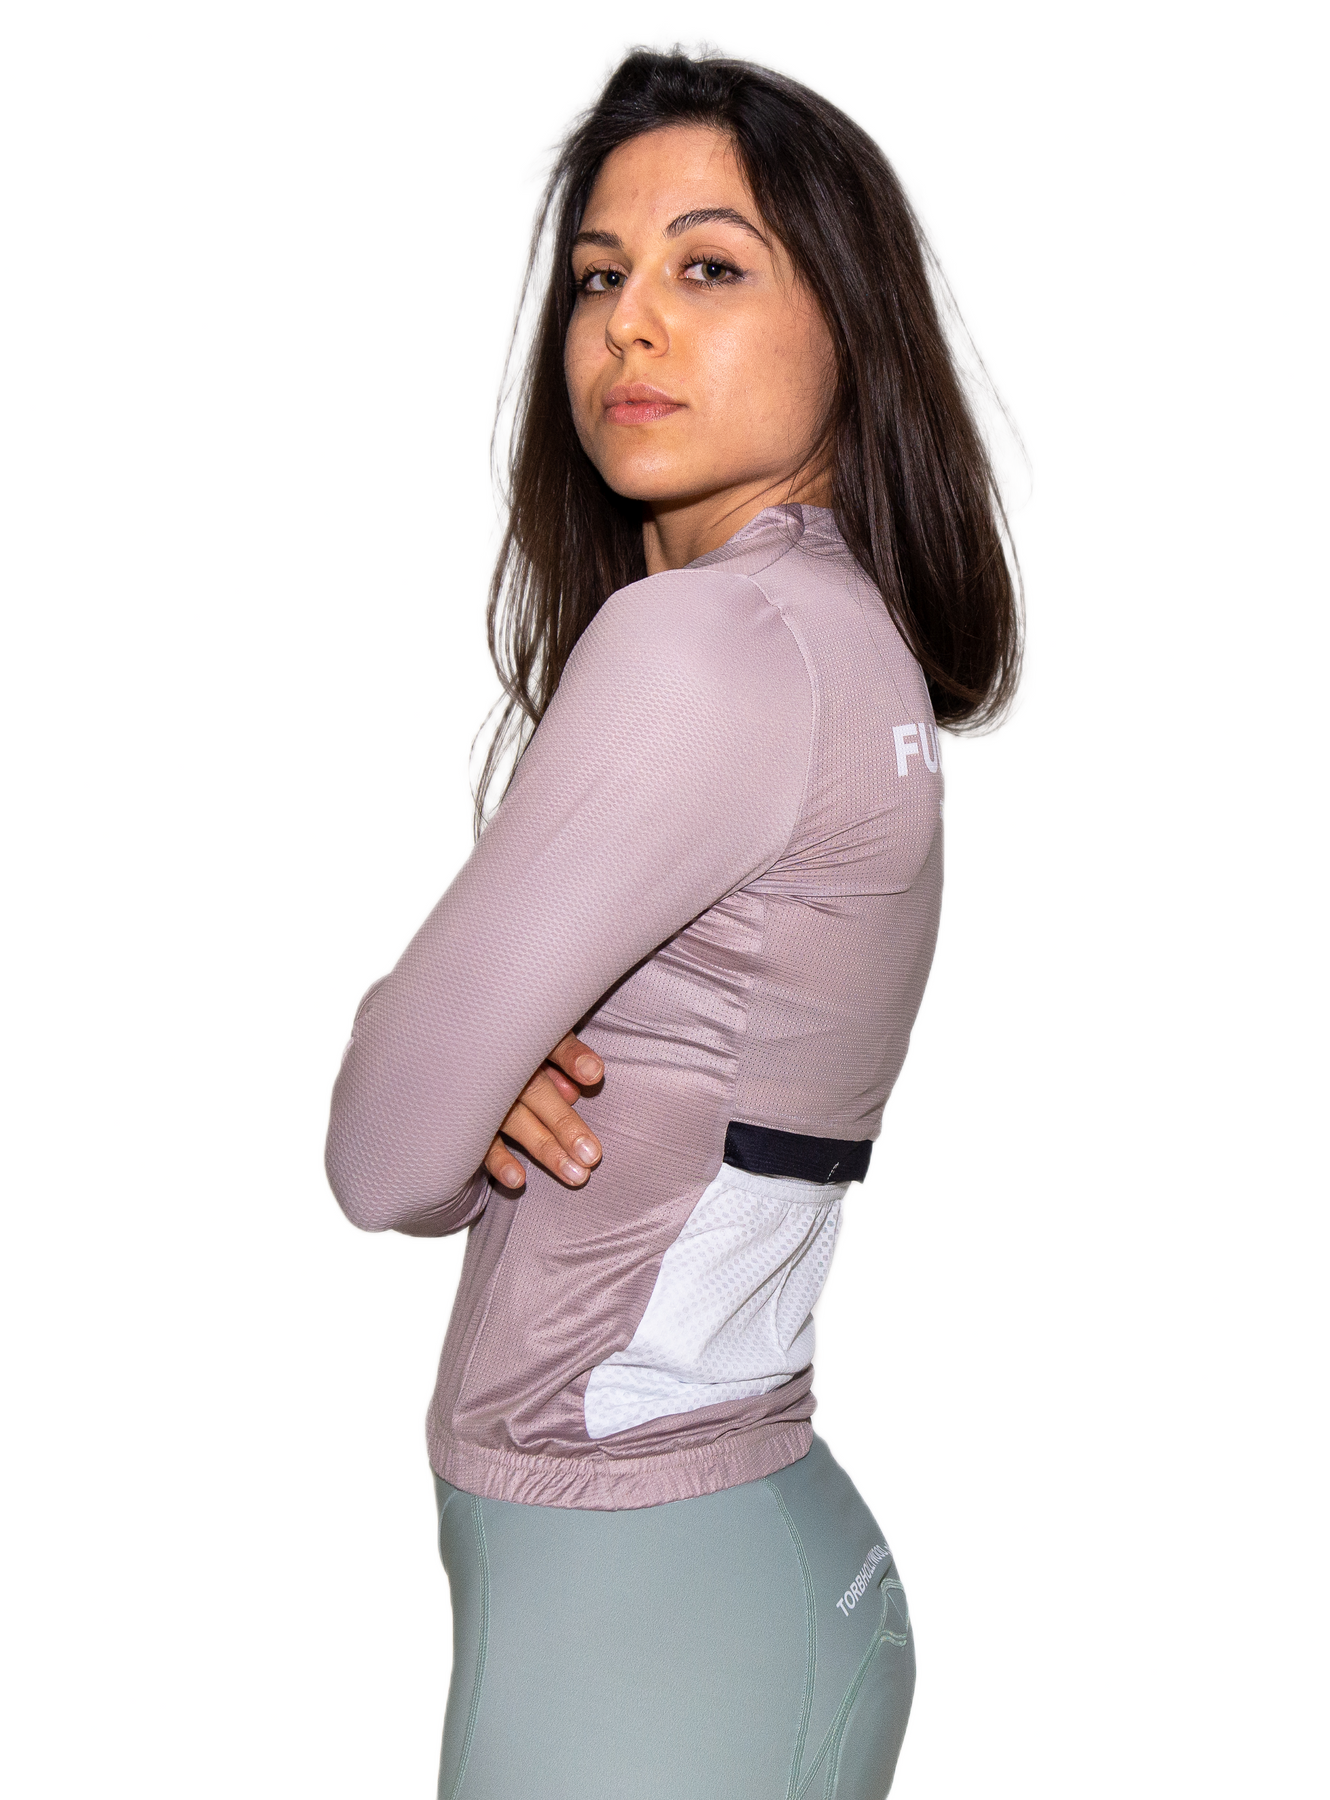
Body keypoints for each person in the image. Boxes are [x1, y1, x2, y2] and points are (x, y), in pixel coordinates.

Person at [325, 47, 1020, 1800]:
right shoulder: (838, 642)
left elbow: (383, 1152)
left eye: (710, 266)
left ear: (849, 321)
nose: (629, 322)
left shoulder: (707, 646)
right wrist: (477, 1063)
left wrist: (445, 1058)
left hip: (638, 1605)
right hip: (741, 1565)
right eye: (596, 276)